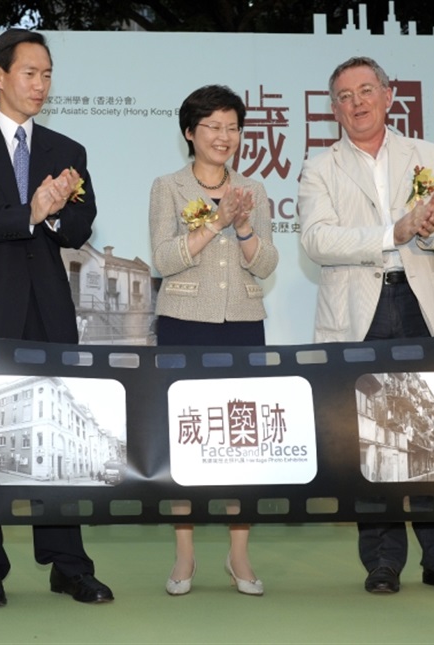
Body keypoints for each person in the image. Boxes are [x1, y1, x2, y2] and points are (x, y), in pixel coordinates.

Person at [297, 56, 434, 596]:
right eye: (345, 95)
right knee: (369, 437)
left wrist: (430, 230)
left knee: (433, 432)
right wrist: (395, 229)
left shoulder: (427, 156)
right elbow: (317, 241)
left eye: (367, 90)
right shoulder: (320, 168)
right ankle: (382, 562)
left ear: (389, 96)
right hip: (357, 308)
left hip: (418, 304)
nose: (357, 102)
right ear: (334, 109)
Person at [0, 29, 113, 607]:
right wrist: (27, 211)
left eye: (47, 74)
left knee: (59, 432)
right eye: (29, 73)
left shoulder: (66, 151)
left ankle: (67, 563)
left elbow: (83, 226)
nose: (39, 84)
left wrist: (56, 215)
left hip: (48, 307)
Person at [149, 85, 279, 596]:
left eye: (232, 127)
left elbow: (267, 265)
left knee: (241, 439)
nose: (224, 137)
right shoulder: (169, 187)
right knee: (185, 438)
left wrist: (243, 227)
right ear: (190, 132)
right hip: (183, 320)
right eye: (213, 127)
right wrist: (215, 225)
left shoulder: (255, 191)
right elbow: (163, 258)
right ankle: (184, 556)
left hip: (243, 323)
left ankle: (239, 556)